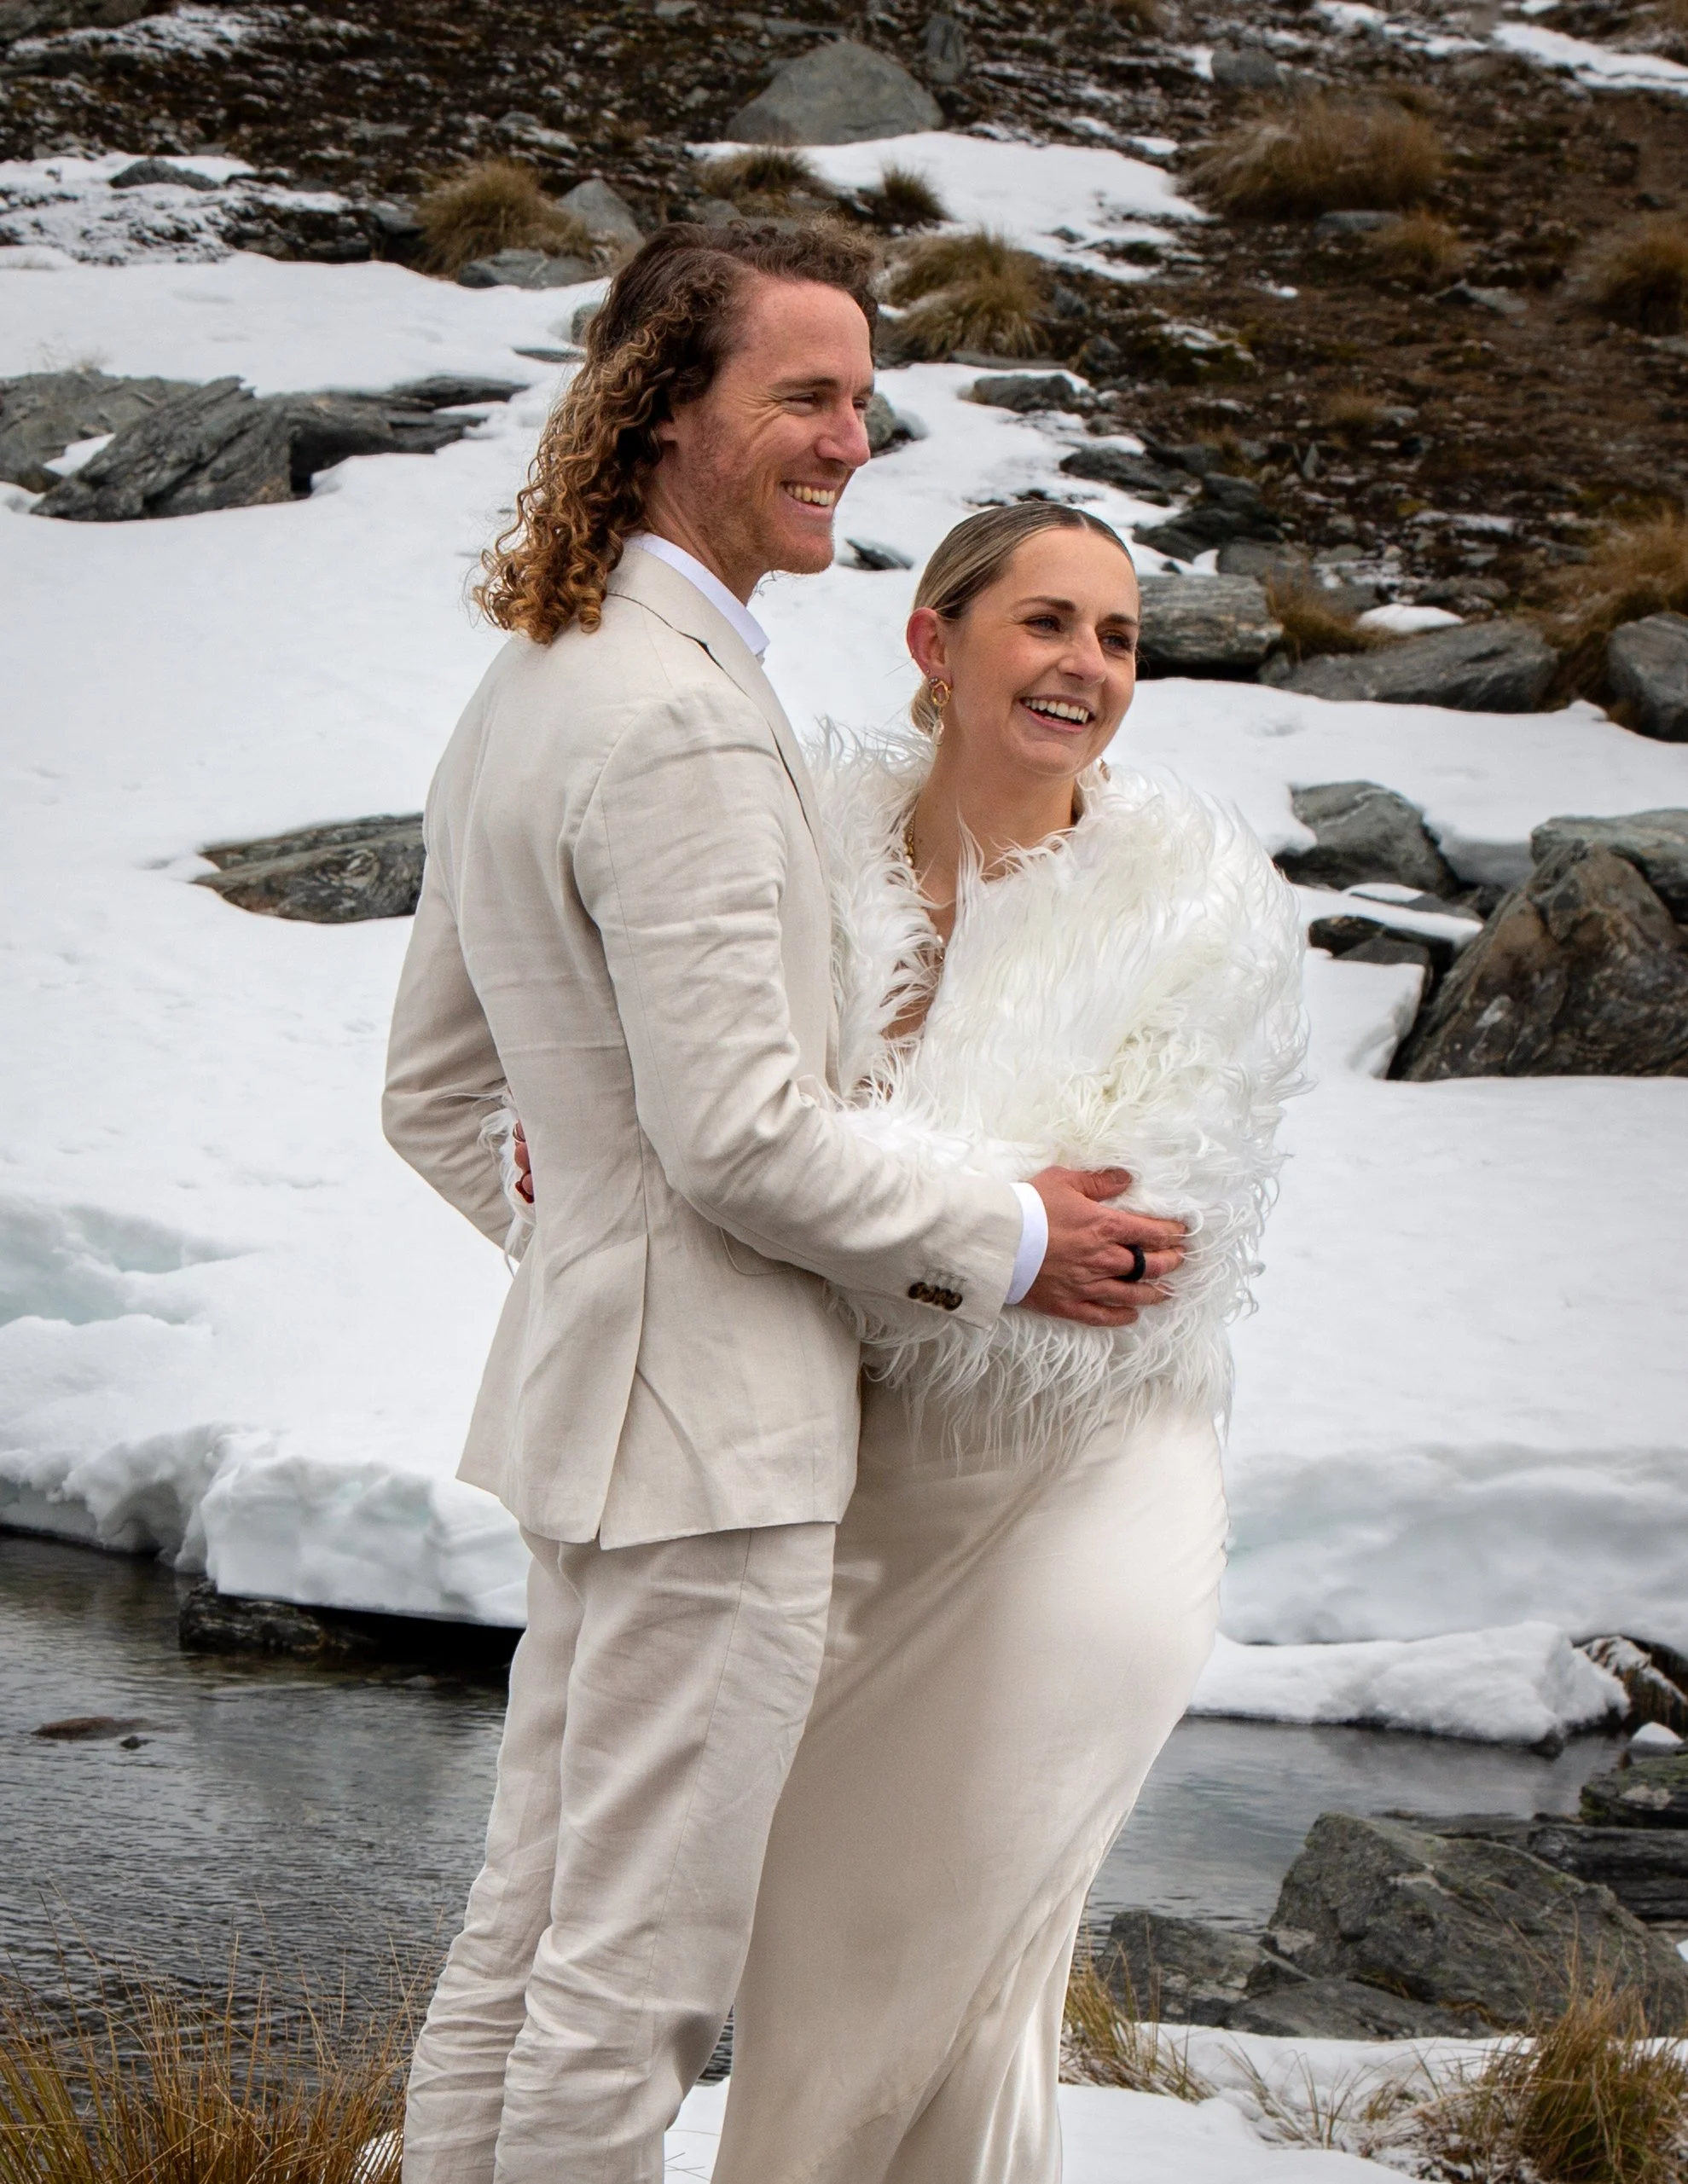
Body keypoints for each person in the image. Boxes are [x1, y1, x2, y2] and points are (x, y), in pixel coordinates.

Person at [380, 227, 1185, 2184]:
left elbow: (437, 1095)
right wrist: (1014, 1232)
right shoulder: (668, 714)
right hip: (714, 1456)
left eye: (860, 396)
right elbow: (738, 1130)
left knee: (527, 1941)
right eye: (804, 395)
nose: (852, 433)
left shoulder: (536, 679)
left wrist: (608, 1266)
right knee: (629, 1981)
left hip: (606, 1418)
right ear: (666, 408)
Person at [708, 501, 1306, 2183]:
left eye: (1115, 637)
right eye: (1046, 622)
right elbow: (724, 1145)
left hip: (1093, 1477)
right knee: (866, 1961)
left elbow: (1130, 1245)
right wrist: (982, 1218)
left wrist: (849, 1187)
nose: (1086, 667)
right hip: (850, 1484)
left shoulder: (1190, 900)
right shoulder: (798, 860)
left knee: (936, 1930)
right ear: (934, 640)